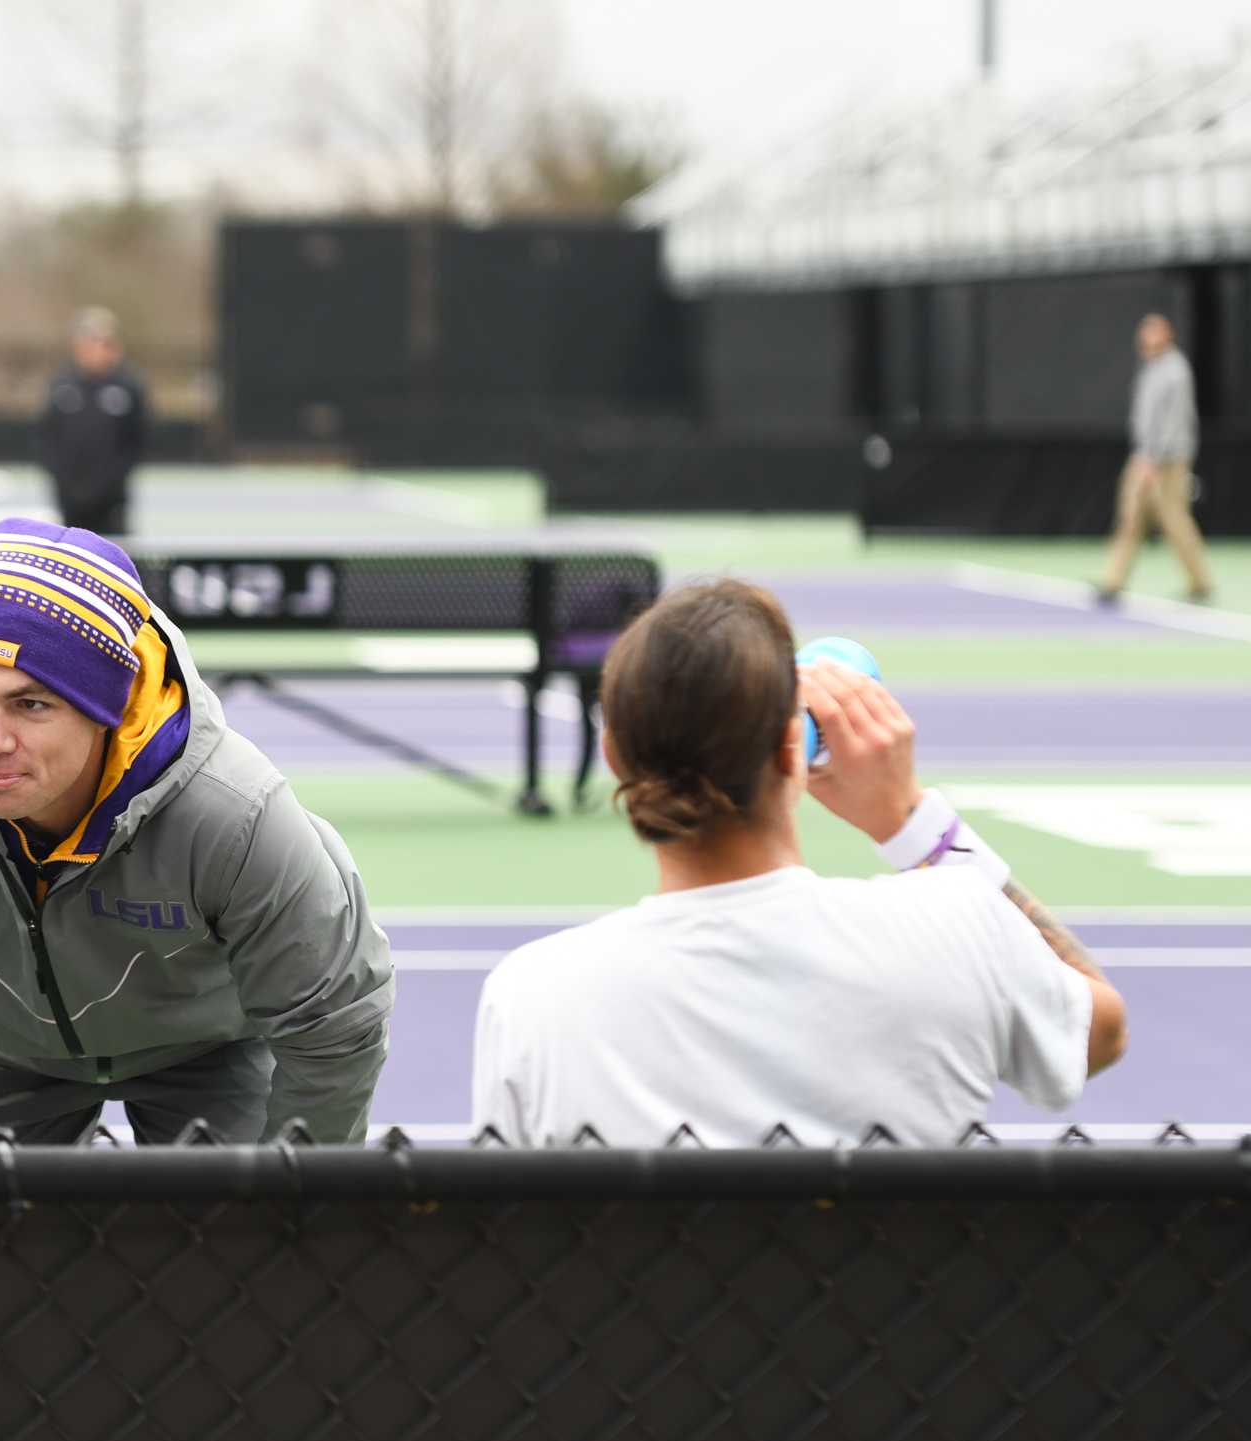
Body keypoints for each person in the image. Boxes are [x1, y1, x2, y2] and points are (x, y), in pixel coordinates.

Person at [0, 517, 394, 1145]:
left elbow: (333, 1022)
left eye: (31, 704)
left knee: (237, 1241)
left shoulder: (234, 814)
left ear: (109, 710)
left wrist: (290, 1205)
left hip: (209, 1048)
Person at [473, 580, 1127, 1148]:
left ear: (613, 755)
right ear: (793, 748)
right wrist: (912, 824)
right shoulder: (960, 923)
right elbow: (1101, 1028)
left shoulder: (533, 995)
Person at [1098, 314, 1214, 605]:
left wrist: (1154, 459)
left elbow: (1174, 421)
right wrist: (1143, 454)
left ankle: (1200, 583)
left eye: (1154, 332)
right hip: (1143, 457)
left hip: (1169, 460)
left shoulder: (1176, 370)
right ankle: (1113, 581)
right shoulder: (1150, 367)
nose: (1147, 338)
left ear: (1167, 335)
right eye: (1144, 332)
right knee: (1130, 519)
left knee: (1174, 519)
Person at [35, 307, 148, 537]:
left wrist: (110, 482)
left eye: (105, 343)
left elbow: (137, 440)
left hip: (111, 500)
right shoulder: (62, 386)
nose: (97, 350)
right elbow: (47, 437)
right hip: (70, 499)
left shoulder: (128, 387)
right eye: (90, 342)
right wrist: (63, 482)